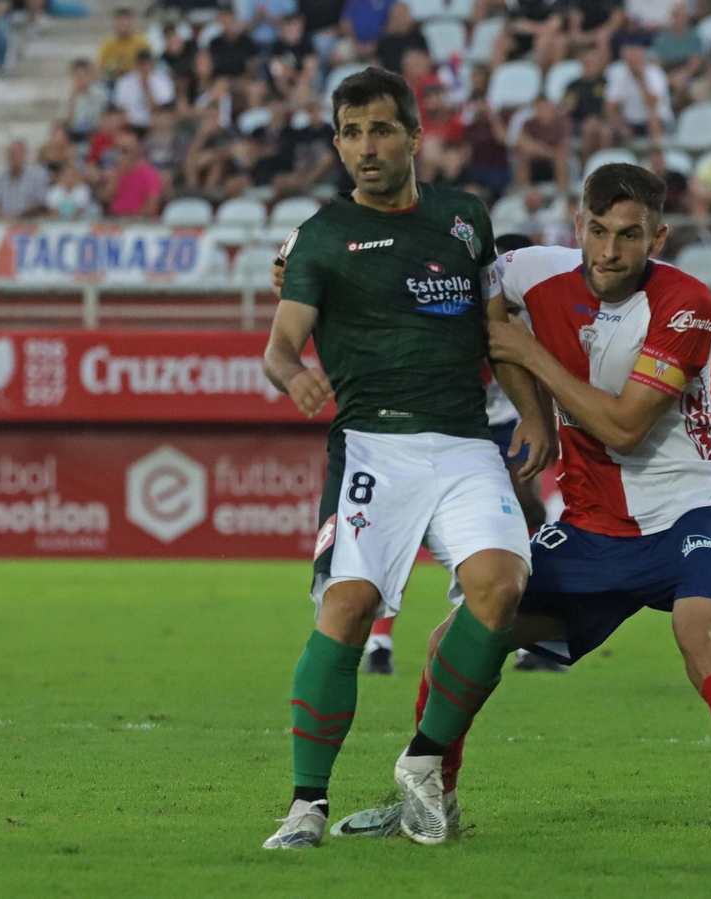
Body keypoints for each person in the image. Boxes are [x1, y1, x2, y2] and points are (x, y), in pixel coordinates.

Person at [328, 164, 711, 856]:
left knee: (700, 628)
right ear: (578, 225)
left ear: (659, 236)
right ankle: (433, 791)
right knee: (456, 639)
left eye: (631, 235)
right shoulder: (529, 270)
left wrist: (536, 363)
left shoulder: (685, 303)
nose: (611, 251)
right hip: (589, 524)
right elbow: (471, 299)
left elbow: (623, 428)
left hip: (689, 510)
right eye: (600, 232)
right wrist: (533, 411)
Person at [259, 66, 551, 850]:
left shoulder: (465, 219)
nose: (366, 147)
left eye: (381, 129)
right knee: (350, 607)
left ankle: (423, 761)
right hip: (371, 445)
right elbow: (280, 346)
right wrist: (296, 377)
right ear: (336, 142)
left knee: (501, 588)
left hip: (462, 442)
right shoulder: (321, 234)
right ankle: (305, 806)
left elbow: (495, 326)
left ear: (416, 136)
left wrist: (532, 410)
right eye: (351, 133)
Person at [357, 230, 556, 678]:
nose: (507, 275)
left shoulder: (539, 312)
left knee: (527, 511)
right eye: (501, 266)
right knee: (404, 526)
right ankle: (379, 642)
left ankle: (525, 636)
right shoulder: (459, 307)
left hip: (506, 422)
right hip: (446, 423)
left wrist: (540, 418)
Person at [101, 130, 164, 216]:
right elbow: (106, 197)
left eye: (126, 150)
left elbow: (152, 205)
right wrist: (117, 174)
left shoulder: (149, 173)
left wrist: (133, 218)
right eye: (121, 150)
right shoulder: (117, 172)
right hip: (116, 218)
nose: (124, 155)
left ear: (137, 149)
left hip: (139, 222)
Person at [113, 49, 175, 132]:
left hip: (156, 125)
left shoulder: (163, 81)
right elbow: (120, 108)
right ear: (135, 65)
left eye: (146, 65)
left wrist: (146, 86)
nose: (144, 68)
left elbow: (163, 109)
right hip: (131, 125)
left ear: (152, 65)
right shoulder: (124, 82)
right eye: (141, 65)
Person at [0, 139, 49, 220]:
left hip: (29, 225)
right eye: (10, 154)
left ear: (24, 155)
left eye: (15, 154)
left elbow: (42, 206)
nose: (12, 158)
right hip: (4, 223)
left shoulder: (37, 176)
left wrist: (20, 216)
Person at [97, 7, 149, 80]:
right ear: (115, 22)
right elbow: (99, 67)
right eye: (121, 21)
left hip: (137, 81)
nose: (125, 24)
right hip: (113, 82)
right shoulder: (107, 44)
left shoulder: (142, 43)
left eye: (128, 20)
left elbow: (149, 66)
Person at [65, 58, 109, 140]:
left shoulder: (101, 95)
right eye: (78, 76)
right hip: (75, 137)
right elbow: (67, 124)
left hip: (96, 136)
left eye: (84, 75)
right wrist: (73, 100)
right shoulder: (69, 96)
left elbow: (103, 122)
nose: (81, 80)